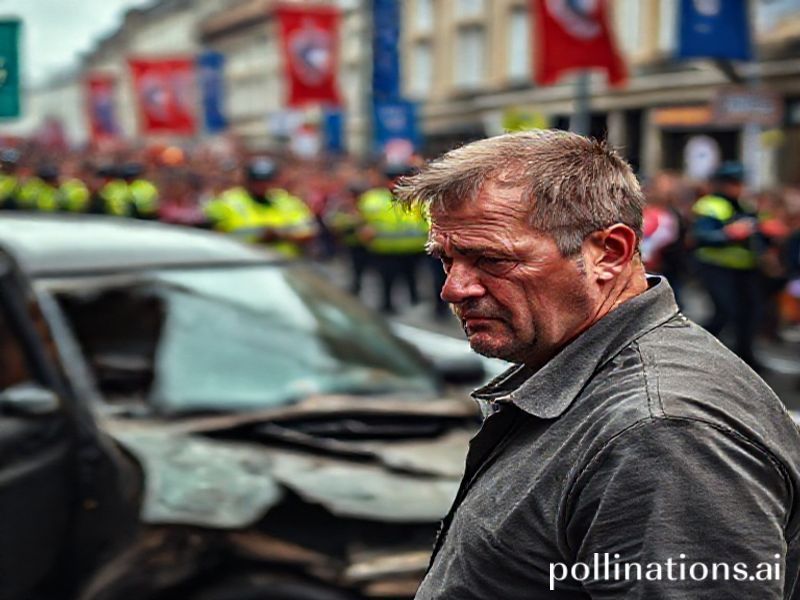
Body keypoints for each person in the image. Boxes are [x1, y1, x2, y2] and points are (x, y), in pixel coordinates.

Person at [395, 130, 800, 599]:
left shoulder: (663, 434)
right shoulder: (584, 372)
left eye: (491, 259)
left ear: (608, 253)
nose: (454, 288)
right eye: (446, 259)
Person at [691, 162, 764, 368]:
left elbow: (756, 234)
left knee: (750, 312)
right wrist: (729, 234)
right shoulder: (710, 205)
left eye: (740, 182)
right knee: (724, 312)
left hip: (745, 268)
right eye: (734, 182)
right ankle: (695, 352)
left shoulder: (746, 205)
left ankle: (746, 356)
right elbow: (701, 236)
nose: (739, 186)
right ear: (722, 184)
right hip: (716, 267)